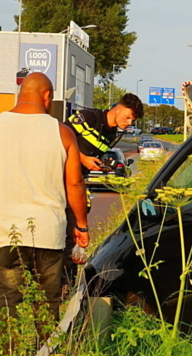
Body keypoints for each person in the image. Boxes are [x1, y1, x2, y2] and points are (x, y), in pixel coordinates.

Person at [0, 72, 89, 320]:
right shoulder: (62, 133)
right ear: (47, 96)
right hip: (49, 235)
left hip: (3, 234)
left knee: (8, 306)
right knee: (47, 304)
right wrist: (81, 226)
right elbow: (74, 183)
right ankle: (45, 355)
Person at [61, 92, 143, 282]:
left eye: (133, 120)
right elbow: (59, 137)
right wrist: (82, 158)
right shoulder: (89, 117)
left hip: (78, 183)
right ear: (117, 108)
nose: (129, 122)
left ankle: (68, 282)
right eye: (128, 117)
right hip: (59, 178)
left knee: (74, 233)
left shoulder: (113, 135)